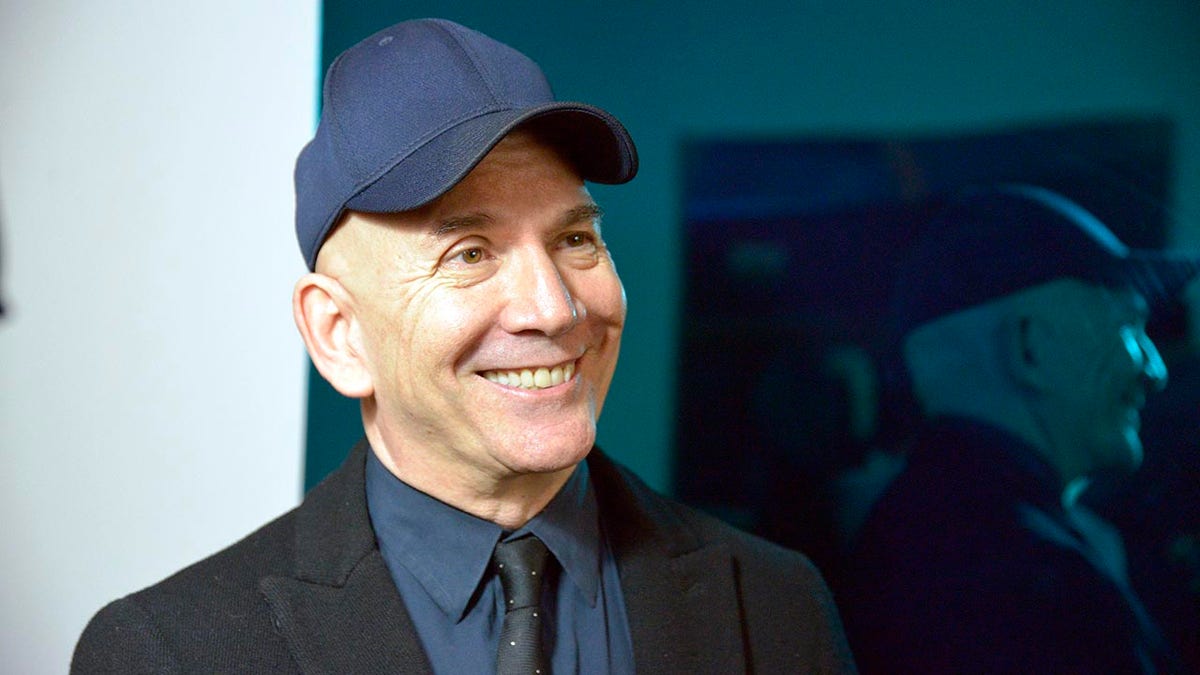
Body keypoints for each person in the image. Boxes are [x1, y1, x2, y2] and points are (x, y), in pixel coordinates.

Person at [71, 18, 855, 674]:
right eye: (470, 253)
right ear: (338, 334)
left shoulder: (776, 606)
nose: (554, 306)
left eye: (575, 237)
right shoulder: (171, 652)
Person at [839, 184, 1195, 674]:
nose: (1156, 371)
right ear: (1031, 347)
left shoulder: (918, 539)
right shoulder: (1032, 581)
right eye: (1130, 327)